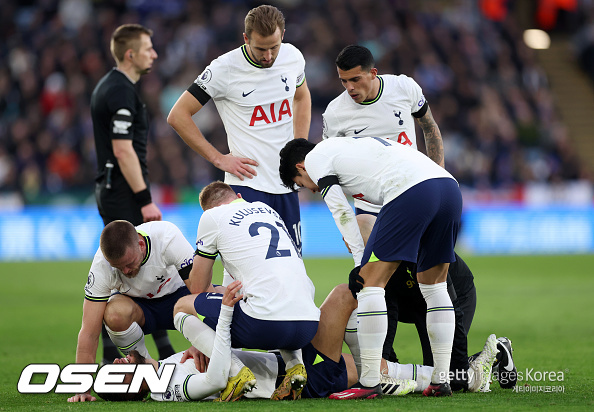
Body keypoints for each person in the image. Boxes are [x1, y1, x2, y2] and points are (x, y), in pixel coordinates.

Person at [322, 44, 503, 392]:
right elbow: (332, 163)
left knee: (432, 283)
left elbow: (430, 128)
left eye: (355, 79)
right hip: (373, 210)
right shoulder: (335, 115)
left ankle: (451, 372)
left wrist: (435, 175)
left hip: (415, 199)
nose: (350, 88)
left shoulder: (404, 88)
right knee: (377, 285)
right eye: (343, 81)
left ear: (373, 74)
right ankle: (384, 368)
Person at [279, 137, 464, 398]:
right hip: (448, 188)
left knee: (369, 285)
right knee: (434, 287)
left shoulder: (315, 158)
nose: (309, 189)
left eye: (301, 184)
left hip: (412, 190)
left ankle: (369, 383)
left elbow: (340, 210)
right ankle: (440, 380)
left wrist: (359, 263)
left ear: (300, 166)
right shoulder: (351, 148)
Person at [84, 282, 419, 402]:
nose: (117, 360)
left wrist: (198, 345)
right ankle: (433, 377)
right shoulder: (166, 389)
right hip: (288, 382)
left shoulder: (166, 368)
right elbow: (215, 380)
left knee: (364, 361)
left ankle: (422, 377)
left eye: (112, 363)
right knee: (345, 296)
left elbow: (213, 364)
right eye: (118, 372)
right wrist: (225, 317)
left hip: (279, 361)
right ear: (131, 388)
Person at [167, 4, 311, 253]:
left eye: (274, 47)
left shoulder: (293, 57)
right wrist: (218, 158)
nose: (268, 56)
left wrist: (299, 149)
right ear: (246, 39)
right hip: (247, 185)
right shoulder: (224, 69)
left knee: (293, 268)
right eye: (260, 49)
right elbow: (178, 115)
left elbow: (302, 98)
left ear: (283, 35)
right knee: (246, 273)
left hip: (286, 185)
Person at [173, 181, 320, 400]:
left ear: (209, 209)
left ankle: (235, 372)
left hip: (265, 326)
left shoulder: (212, 217)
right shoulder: (267, 210)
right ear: (239, 196)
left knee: (182, 307)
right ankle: (295, 367)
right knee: (273, 294)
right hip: (308, 327)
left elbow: (198, 288)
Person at [91, 23, 171, 364]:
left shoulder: (110, 87)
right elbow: (123, 150)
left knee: (130, 270)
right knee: (135, 266)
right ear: (130, 53)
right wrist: (144, 199)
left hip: (112, 188)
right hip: (123, 193)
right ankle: (146, 350)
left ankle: (117, 353)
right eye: (148, 47)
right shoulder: (121, 91)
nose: (153, 53)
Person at [67, 220, 194, 402]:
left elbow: (200, 290)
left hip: (180, 298)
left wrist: (200, 343)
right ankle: (147, 376)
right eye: (118, 267)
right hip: (141, 309)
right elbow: (89, 332)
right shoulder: (102, 266)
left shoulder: (166, 236)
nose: (125, 271)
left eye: (129, 263)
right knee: (114, 313)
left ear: (141, 245)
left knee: (219, 298)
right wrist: (81, 387)